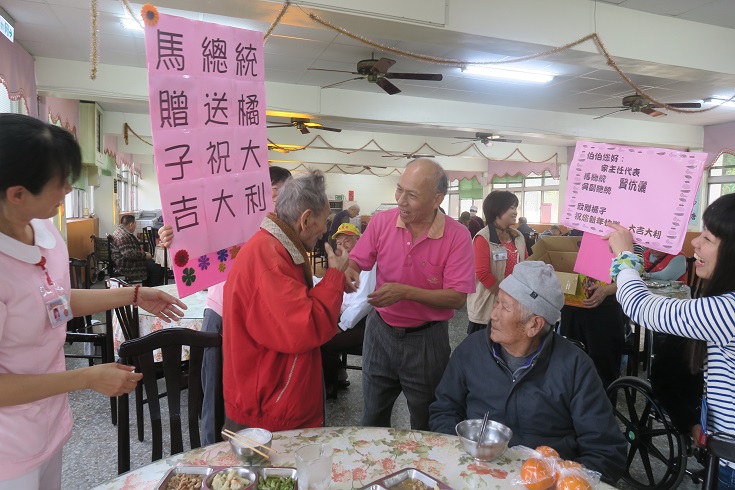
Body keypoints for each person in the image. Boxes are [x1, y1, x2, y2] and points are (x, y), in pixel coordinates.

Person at [0, 113, 186, 488]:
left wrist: (134, 294)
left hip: (46, 420)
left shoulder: (42, 230)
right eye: (60, 183)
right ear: (17, 194)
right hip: (8, 444)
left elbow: (55, 301)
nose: (69, 189)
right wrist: (84, 377)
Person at [429, 261, 626, 484]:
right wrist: (463, 454)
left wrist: (564, 480)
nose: (493, 315)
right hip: (478, 473)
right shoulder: (471, 350)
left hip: (546, 481)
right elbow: (443, 409)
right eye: (496, 303)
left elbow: (606, 449)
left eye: (504, 307)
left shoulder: (575, 366)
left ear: (534, 325)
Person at [605, 194, 735, 487]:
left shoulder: (729, 311)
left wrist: (625, 258)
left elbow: (641, 307)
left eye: (708, 238)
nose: (695, 244)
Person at [159, 165, 292, 445]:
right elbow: (194, 245)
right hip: (222, 311)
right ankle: (211, 455)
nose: (281, 202)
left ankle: (253, 451)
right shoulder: (229, 216)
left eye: (285, 195)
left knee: (252, 394)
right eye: (277, 194)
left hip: (263, 320)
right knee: (214, 388)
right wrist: (175, 237)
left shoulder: (286, 229)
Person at [346, 158, 475, 430]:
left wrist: (405, 292)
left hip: (427, 340)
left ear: (436, 198)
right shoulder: (381, 222)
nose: (401, 201)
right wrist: (350, 270)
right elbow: (357, 261)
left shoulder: (457, 235)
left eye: (412, 195)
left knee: (425, 421)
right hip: (380, 332)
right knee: (372, 417)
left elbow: (457, 298)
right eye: (399, 190)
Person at [223, 170, 350, 433]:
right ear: (305, 219)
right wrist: (334, 276)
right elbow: (304, 326)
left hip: (271, 394)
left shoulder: (274, 246)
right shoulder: (268, 257)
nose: (325, 230)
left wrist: (333, 284)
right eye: (324, 221)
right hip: (269, 405)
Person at [318, 223, 376, 399]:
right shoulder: (342, 263)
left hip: (365, 323)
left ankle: (328, 385)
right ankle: (338, 375)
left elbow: (365, 302)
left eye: (347, 239)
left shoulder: (367, 265)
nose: (342, 244)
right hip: (347, 317)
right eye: (339, 241)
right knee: (317, 330)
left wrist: (342, 326)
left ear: (359, 241)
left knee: (327, 342)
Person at [466, 191, 527, 334]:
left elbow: (525, 263)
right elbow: (482, 273)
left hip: (513, 303)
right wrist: (504, 298)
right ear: (497, 210)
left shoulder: (517, 236)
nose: (515, 212)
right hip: (489, 304)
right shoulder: (483, 237)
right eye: (511, 207)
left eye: (515, 208)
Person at [110, 214, 164, 286]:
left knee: (153, 264)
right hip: (126, 265)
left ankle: (147, 289)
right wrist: (145, 255)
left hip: (123, 262)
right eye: (135, 223)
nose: (135, 226)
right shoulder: (123, 236)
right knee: (157, 267)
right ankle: (155, 290)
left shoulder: (120, 231)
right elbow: (128, 254)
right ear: (131, 225)